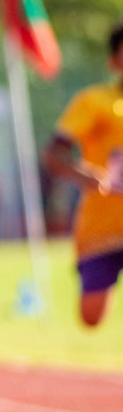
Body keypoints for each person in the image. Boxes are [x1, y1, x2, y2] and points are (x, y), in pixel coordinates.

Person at [41, 23, 123, 327]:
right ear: (114, 61)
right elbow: (53, 153)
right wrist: (85, 174)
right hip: (101, 229)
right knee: (91, 318)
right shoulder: (95, 102)